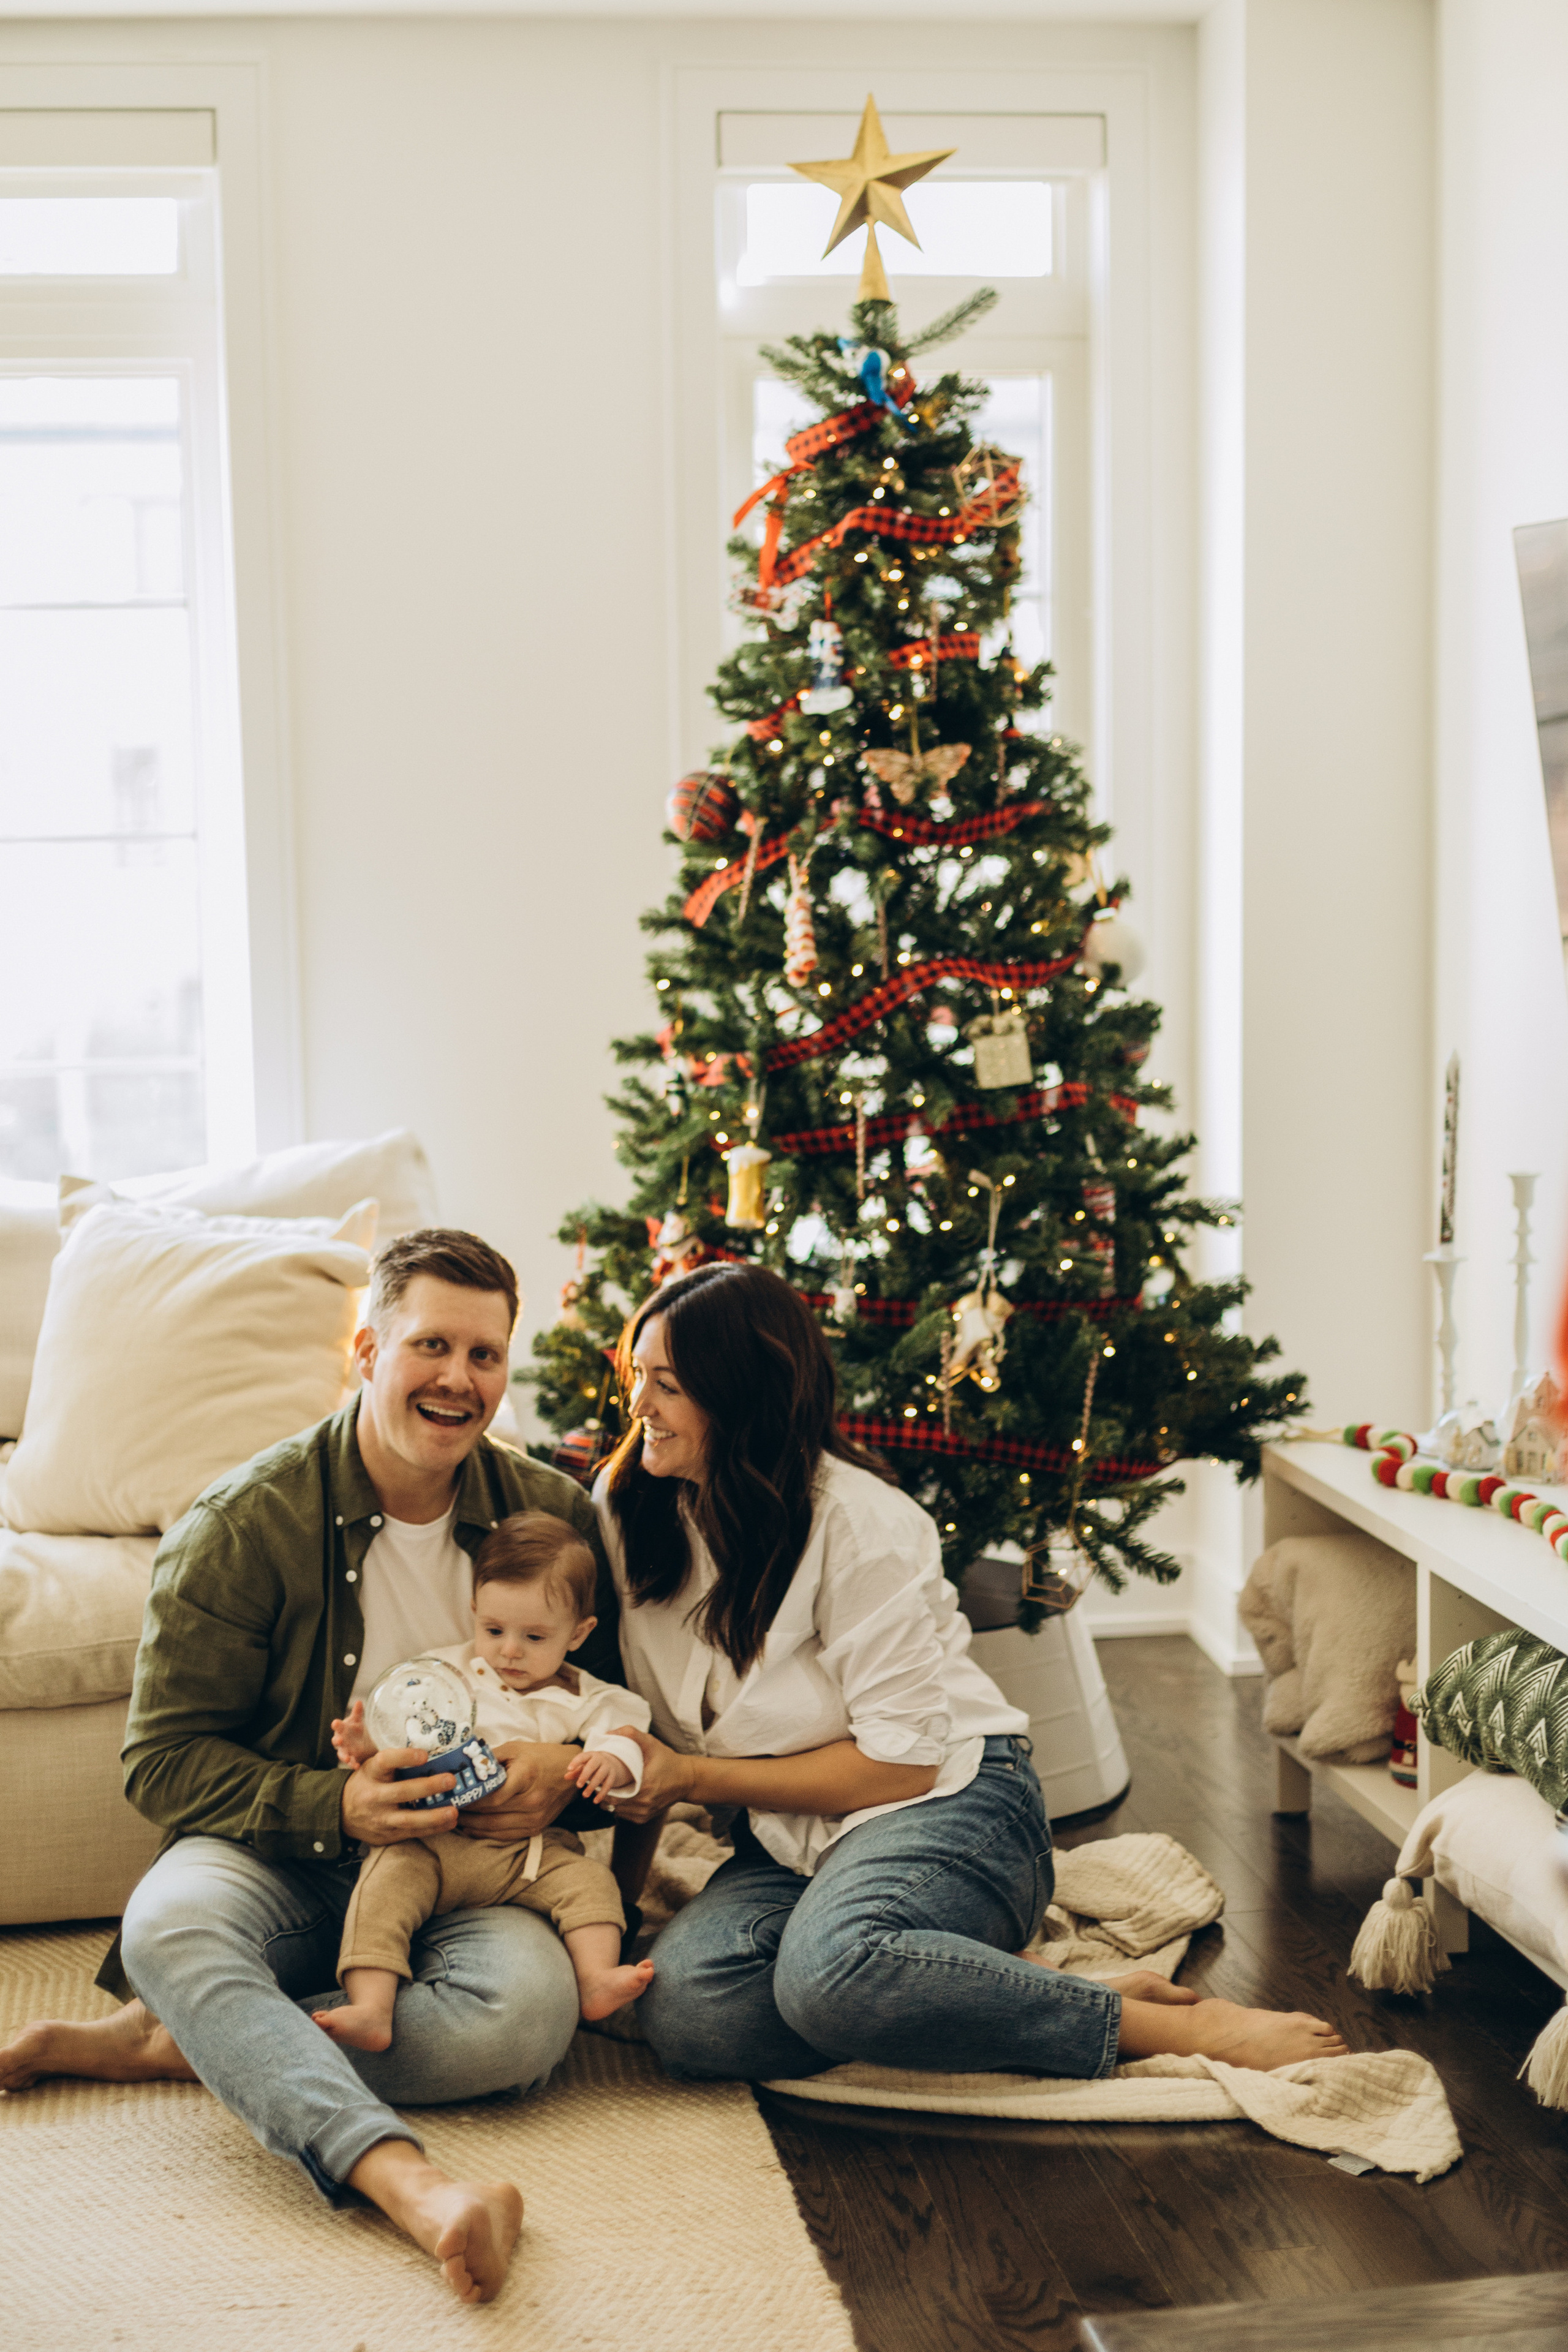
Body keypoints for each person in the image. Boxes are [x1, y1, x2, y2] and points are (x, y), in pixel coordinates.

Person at [0, 1229, 621, 2305]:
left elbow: (601, 1715)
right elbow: (163, 1762)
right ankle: (414, 2189)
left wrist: (553, 1771)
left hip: (476, 1870)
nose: (459, 1380)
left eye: (486, 1356)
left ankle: (187, 2036)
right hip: (285, 1849)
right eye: (432, 1345)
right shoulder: (243, 1523)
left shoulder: (549, 1518)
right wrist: (337, 1803)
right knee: (166, 1926)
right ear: (367, 1350)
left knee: (523, 2022)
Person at [582, 1262, 1352, 2086]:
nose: (639, 1409)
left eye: (666, 1386)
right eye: (638, 1378)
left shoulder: (860, 1524)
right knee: (692, 2016)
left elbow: (902, 1762)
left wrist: (694, 1775)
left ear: (742, 1395)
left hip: (950, 1800)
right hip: (789, 1835)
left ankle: (1154, 2028)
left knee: (827, 1976)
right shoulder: (629, 1509)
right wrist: (619, 1913)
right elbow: (641, 1744)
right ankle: (983, 1981)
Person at [319, 1509, 654, 2051]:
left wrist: (611, 1759)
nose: (510, 1651)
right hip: (433, 1843)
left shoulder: (588, 1697)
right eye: (493, 1630)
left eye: (535, 1636)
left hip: (529, 1856)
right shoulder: (444, 1675)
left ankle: (595, 1980)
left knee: (592, 1885)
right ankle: (371, 2007)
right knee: (381, 1888)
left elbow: (630, 1730)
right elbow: (405, 1738)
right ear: (473, 1612)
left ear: (579, 1633)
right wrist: (364, 1747)